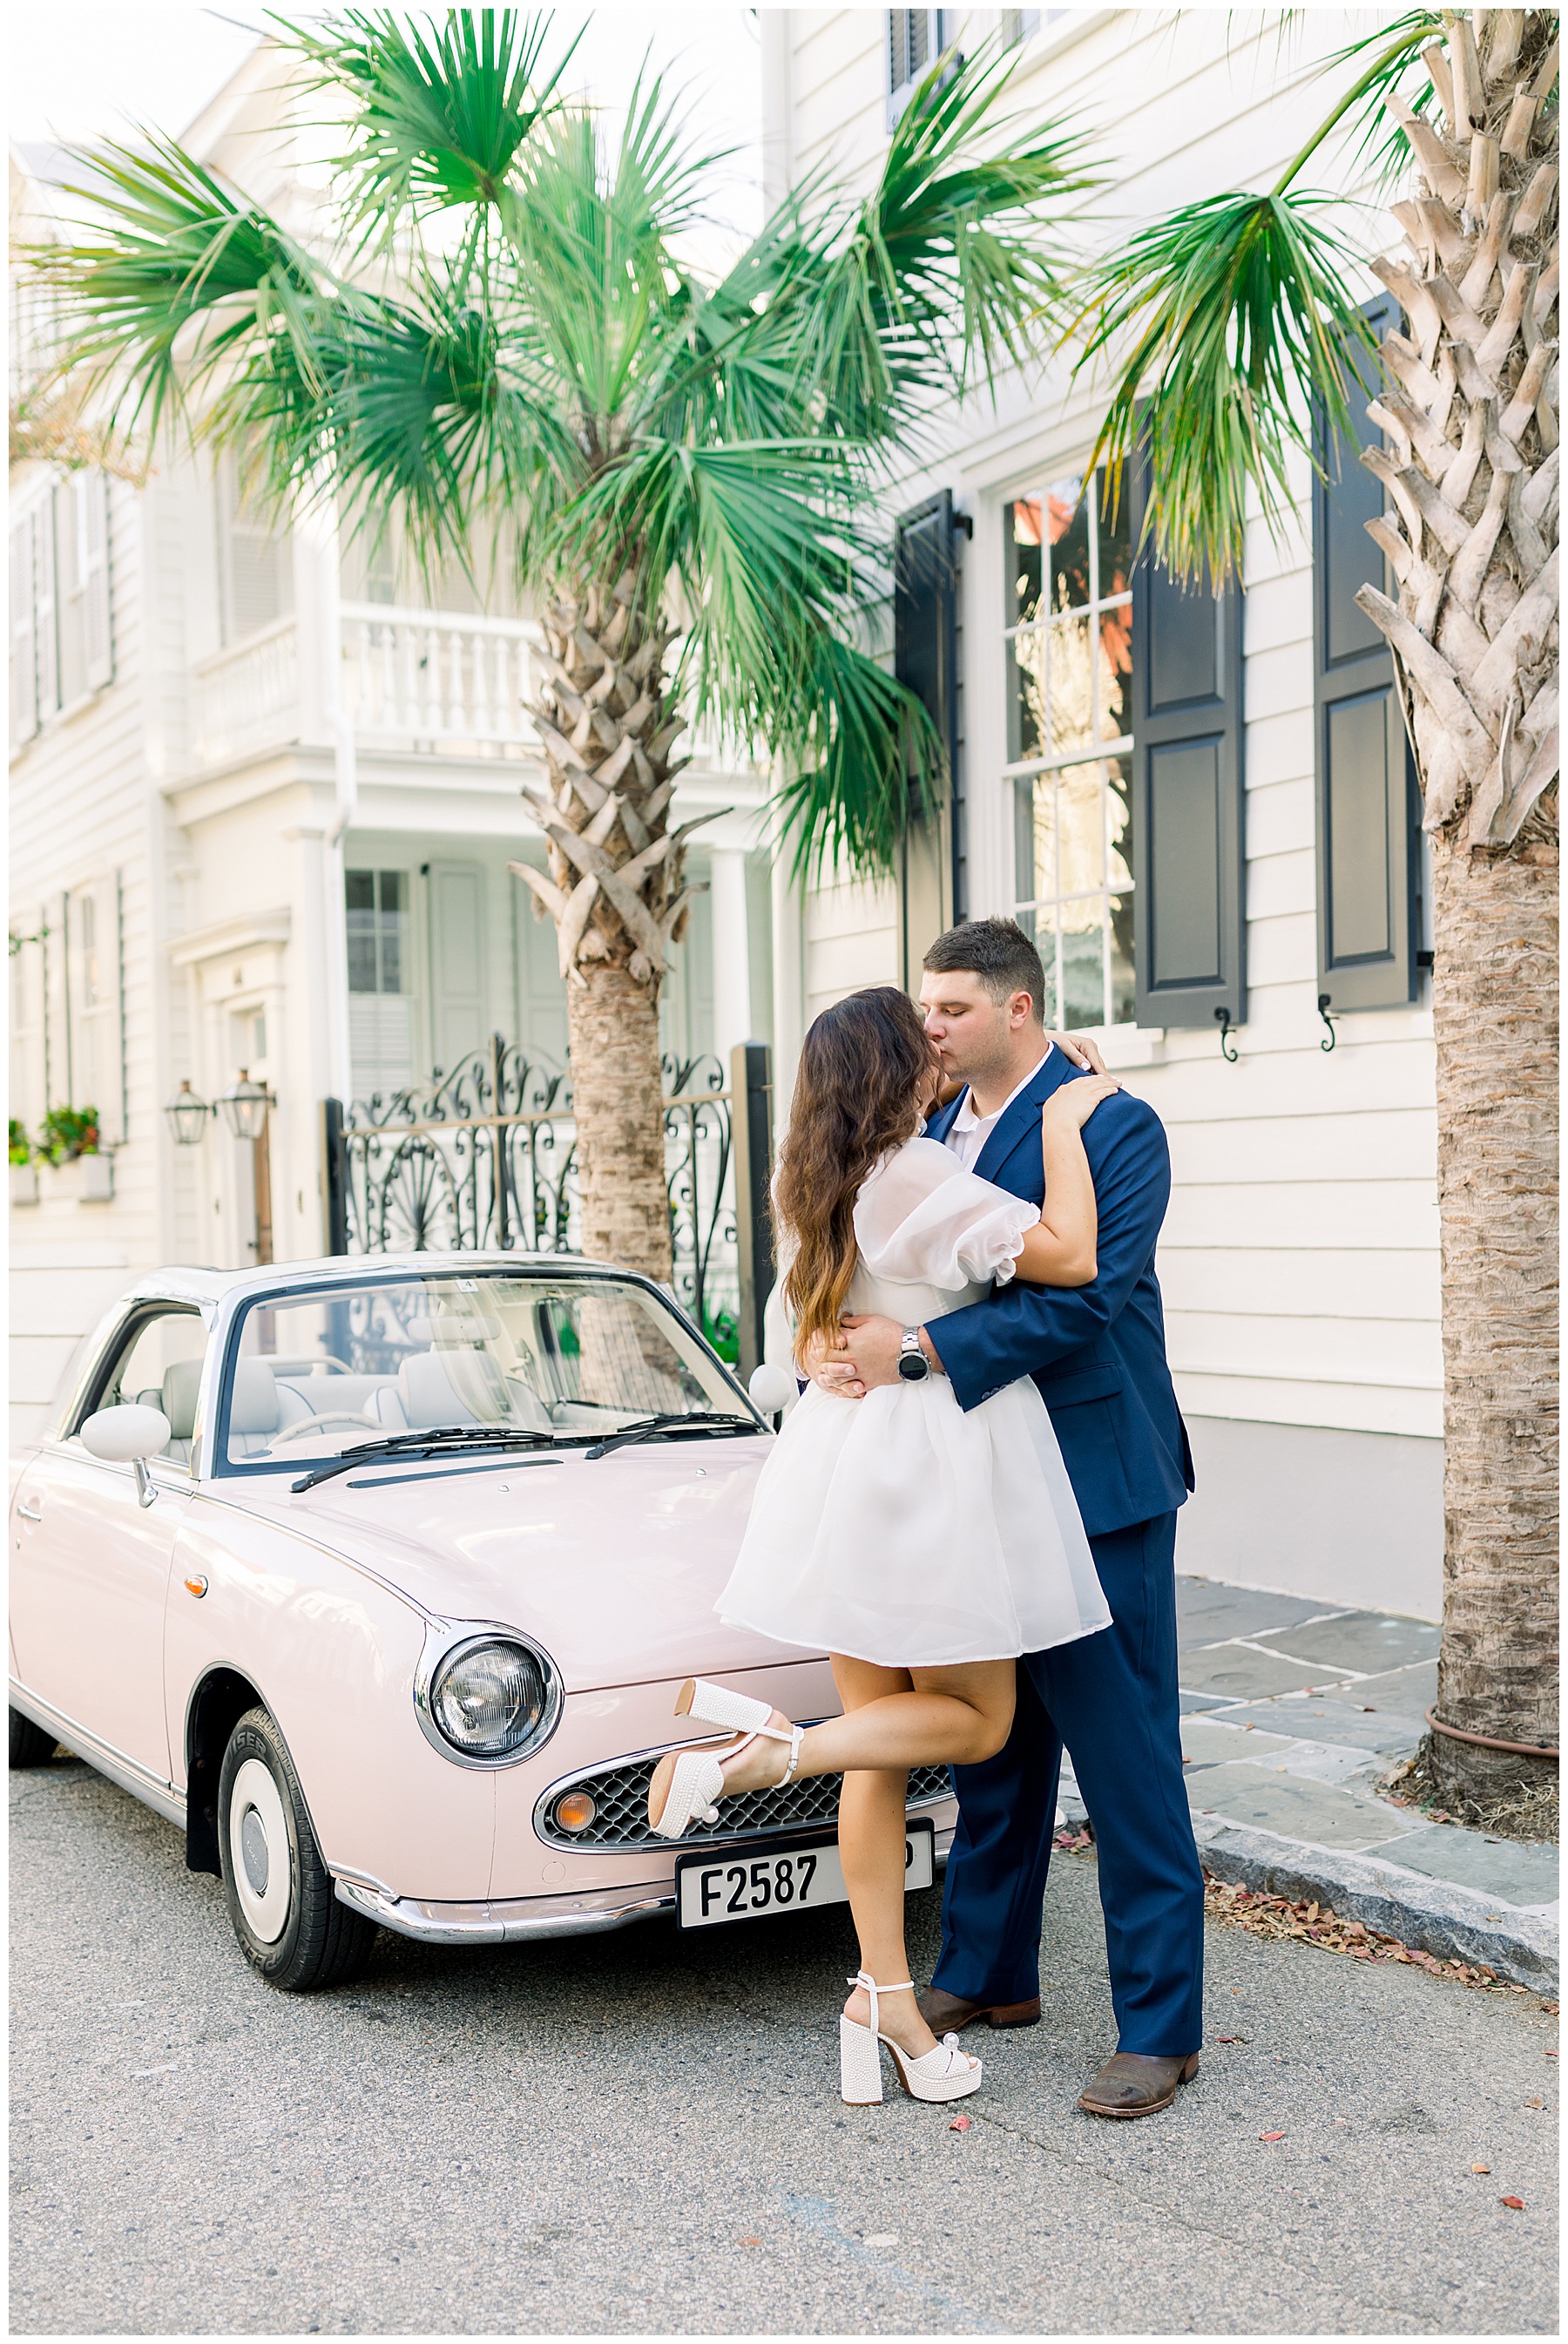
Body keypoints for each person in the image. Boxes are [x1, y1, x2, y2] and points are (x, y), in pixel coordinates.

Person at [644, 984, 1119, 2109]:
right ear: (889, 1068)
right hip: (929, 1464)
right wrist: (1063, 1122)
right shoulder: (909, 1172)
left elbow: (795, 1325)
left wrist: (820, 1346)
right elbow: (1067, 1255)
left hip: (844, 1463)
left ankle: (884, 2002)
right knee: (980, 1718)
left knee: (883, 1748)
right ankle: (768, 1755)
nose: (936, 1051)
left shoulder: (813, 1175)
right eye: (920, 1042)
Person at [816, 918, 1204, 2121]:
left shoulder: (1112, 1123)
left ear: (1019, 1009)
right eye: (923, 1010)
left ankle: (1161, 2026)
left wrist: (918, 1352)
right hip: (975, 1492)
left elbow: (1086, 1307)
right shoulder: (927, 1130)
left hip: (1095, 1485)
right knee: (999, 1748)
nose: (928, 1026)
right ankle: (989, 1972)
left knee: (1126, 1758)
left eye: (951, 1009)